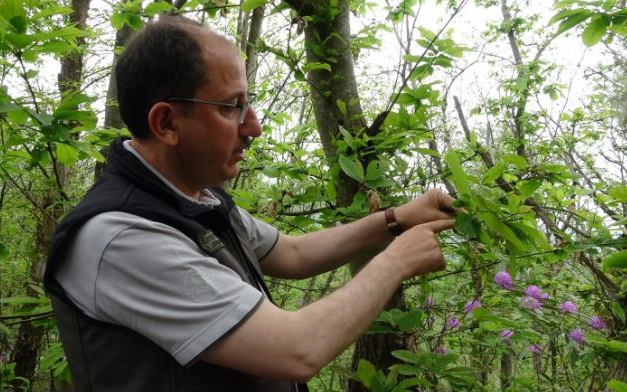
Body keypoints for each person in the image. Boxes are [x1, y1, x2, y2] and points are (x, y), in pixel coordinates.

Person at [43, 15, 456, 392]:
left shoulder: (192, 197)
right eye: (231, 107)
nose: (253, 126)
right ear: (167, 123)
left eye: (248, 102)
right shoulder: (122, 237)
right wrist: (396, 260)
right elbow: (296, 350)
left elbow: (291, 253)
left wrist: (396, 219)